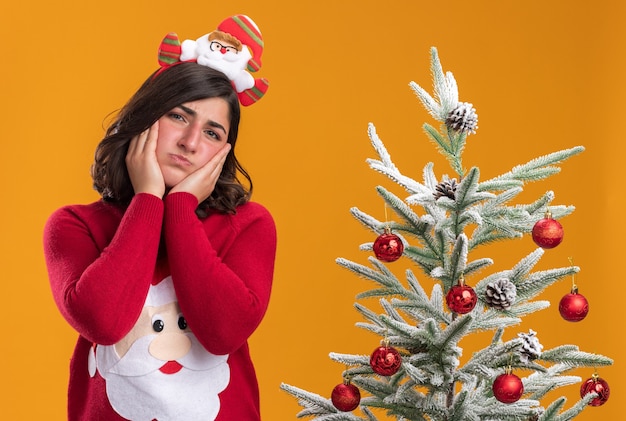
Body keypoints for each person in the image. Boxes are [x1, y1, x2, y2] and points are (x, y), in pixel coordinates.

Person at [43, 15, 276, 421]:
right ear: (145, 119)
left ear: (223, 152)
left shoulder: (249, 225)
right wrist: (150, 198)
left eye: (212, 133)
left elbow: (224, 332)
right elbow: (104, 322)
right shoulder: (74, 225)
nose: (189, 142)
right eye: (179, 116)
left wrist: (181, 208)